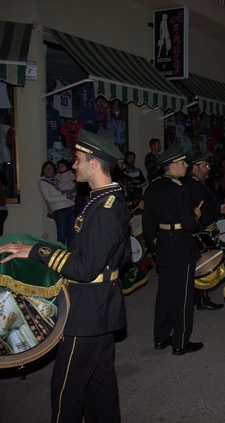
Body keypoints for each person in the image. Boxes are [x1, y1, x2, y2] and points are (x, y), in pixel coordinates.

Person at [0, 129, 130, 422]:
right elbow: (121, 255)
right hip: (100, 305)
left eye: (79, 159)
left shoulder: (106, 208)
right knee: (100, 385)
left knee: (66, 389)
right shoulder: (102, 200)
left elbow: (85, 268)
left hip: (87, 311)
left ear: (94, 164)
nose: (74, 165)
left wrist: (37, 252)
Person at [143, 146, 204, 356]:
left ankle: (160, 338)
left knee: (164, 294)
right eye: (184, 163)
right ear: (174, 165)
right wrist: (195, 215)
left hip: (163, 246)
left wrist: (155, 246)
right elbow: (189, 225)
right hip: (181, 246)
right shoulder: (180, 189)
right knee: (183, 296)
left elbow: (148, 222)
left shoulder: (152, 187)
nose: (186, 166)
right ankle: (180, 342)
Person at [183, 153, 225, 311]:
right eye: (205, 166)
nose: (208, 168)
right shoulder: (194, 185)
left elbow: (207, 205)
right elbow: (200, 212)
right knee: (202, 264)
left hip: (199, 228)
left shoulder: (197, 182)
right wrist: (212, 230)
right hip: (200, 230)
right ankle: (201, 300)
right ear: (195, 167)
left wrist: (217, 208)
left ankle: (199, 298)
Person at [38, 161, 75, 246]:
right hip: (59, 211)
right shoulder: (42, 182)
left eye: (50, 168)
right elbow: (49, 198)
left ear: (54, 170)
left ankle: (70, 257)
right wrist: (65, 197)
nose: (48, 170)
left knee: (72, 236)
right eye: (46, 168)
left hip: (70, 208)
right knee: (62, 236)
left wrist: (72, 194)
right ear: (43, 170)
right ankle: (59, 257)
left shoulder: (60, 179)